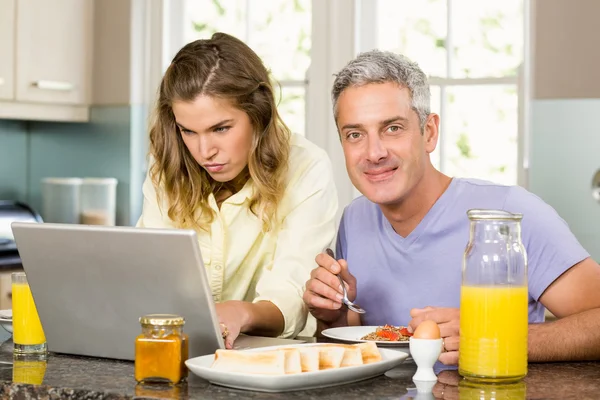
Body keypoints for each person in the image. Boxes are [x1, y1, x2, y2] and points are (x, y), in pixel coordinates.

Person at [303, 49, 600, 364]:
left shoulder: (510, 213)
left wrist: (495, 336)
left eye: (393, 128)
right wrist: (331, 316)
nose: (373, 152)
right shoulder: (355, 219)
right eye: (354, 134)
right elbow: (357, 349)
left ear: (429, 132)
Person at [137, 32, 338, 348]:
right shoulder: (166, 171)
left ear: (258, 114)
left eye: (221, 128)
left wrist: (242, 313)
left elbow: (292, 295)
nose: (205, 151)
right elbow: (147, 275)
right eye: (188, 131)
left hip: (271, 366)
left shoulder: (306, 168)